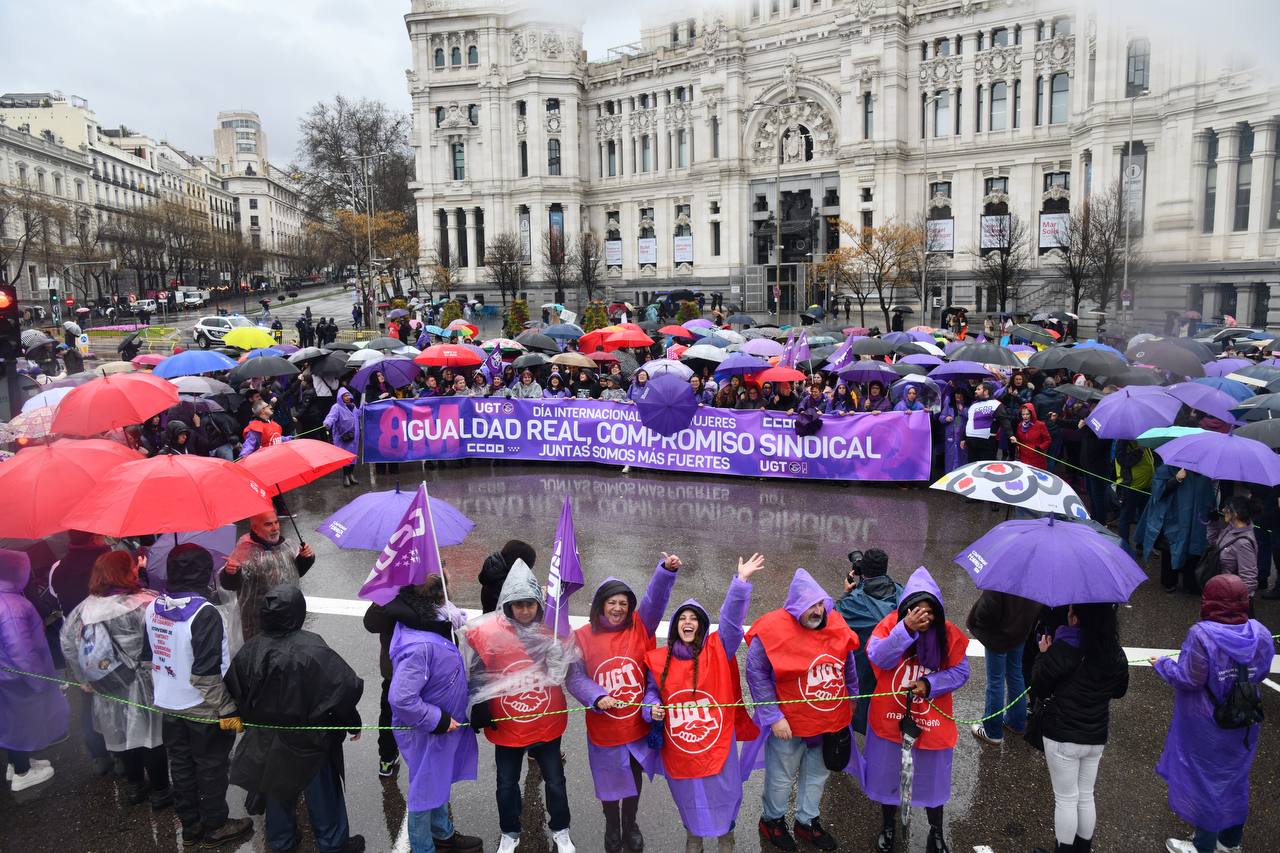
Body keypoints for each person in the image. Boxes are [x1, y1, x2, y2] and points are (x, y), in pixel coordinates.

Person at [462, 562, 595, 853]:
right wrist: (479, 703)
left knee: (555, 781)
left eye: (530, 605)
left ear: (539, 605)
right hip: (507, 722)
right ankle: (510, 831)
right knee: (506, 784)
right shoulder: (489, 633)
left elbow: (560, 675)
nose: (524, 611)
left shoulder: (552, 631)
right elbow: (478, 671)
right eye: (518, 605)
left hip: (545, 720)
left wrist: (560, 654)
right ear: (508, 605)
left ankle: (561, 829)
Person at [226, 584, 366, 853]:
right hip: (311, 740)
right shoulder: (313, 648)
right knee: (323, 794)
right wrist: (352, 721)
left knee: (277, 790)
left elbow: (235, 688)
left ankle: (281, 842)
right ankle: (333, 845)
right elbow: (341, 689)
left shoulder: (251, 648)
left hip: (268, 739)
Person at [642, 554, 766, 853]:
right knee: (688, 795)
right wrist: (650, 709)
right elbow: (650, 693)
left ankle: (727, 835)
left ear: (701, 625)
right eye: (682, 618)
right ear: (675, 626)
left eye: (693, 618)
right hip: (681, 746)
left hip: (718, 742)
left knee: (725, 790)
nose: (688, 622)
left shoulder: (718, 649)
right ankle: (693, 836)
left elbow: (732, 622)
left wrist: (741, 582)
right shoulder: (659, 660)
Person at [568, 554, 681, 853]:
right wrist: (596, 695)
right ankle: (611, 824)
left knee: (633, 779)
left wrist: (665, 572)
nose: (618, 608)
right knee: (608, 784)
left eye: (623, 603)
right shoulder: (582, 637)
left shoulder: (639, 629)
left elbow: (654, 600)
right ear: (600, 605)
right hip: (605, 728)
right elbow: (575, 677)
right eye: (611, 602)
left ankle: (630, 823)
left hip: (635, 727)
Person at [144, 544, 252, 849]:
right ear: (204, 573)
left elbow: (145, 657)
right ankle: (216, 824)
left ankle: (190, 826)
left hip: (168, 705)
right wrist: (229, 710)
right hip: (204, 709)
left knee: (180, 764)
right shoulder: (204, 612)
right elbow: (206, 675)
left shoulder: (152, 607)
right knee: (212, 766)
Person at [1155, 575, 1273, 853]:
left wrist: (1162, 665)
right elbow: (1263, 671)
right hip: (1245, 718)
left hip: (1206, 723)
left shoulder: (1202, 635)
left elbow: (1189, 678)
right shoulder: (1261, 633)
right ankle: (1230, 842)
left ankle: (1202, 846)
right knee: (1235, 778)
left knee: (1205, 783)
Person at [747, 568, 859, 852]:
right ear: (797, 604)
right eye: (811, 604)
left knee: (817, 776)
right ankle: (772, 821)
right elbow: (756, 673)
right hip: (789, 724)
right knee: (781, 777)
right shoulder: (771, 630)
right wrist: (773, 716)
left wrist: (851, 703)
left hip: (829, 720)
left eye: (821, 603)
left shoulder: (836, 625)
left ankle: (807, 821)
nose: (818, 610)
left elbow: (848, 667)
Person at [864, 567, 969, 853]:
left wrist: (929, 682)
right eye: (916, 611)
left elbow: (961, 672)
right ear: (905, 610)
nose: (924, 618)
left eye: (929, 612)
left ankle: (936, 831)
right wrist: (905, 630)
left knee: (932, 779)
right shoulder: (889, 625)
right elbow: (879, 657)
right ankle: (888, 825)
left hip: (931, 720)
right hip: (891, 718)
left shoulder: (948, 634)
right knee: (889, 776)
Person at [60, 551, 170, 809]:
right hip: (143, 682)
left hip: (106, 683)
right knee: (151, 737)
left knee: (121, 733)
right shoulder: (144, 603)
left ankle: (134, 787)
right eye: (132, 567)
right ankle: (161, 791)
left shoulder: (83, 608)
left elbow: (67, 643)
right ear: (125, 571)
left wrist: (82, 677)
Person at [388, 574, 483, 853]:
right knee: (424, 790)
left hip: (441, 727)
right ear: (439, 595)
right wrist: (437, 720)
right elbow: (402, 699)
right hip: (429, 729)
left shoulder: (435, 623)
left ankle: (442, 833)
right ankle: (422, 847)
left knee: (436, 779)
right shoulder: (423, 644)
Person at [1029, 603, 1130, 853]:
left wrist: (1043, 653)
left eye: (1072, 611)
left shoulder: (1064, 647)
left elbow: (1039, 686)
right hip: (1095, 735)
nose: (1068, 614)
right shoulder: (1113, 650)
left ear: (1076, 619)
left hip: (1062, 735)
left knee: (1065, 799)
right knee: (1086, 795)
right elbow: (1119, 690)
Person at [0, 549, 68, 792]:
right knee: (20, 722)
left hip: (6, 676)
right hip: (15, 677)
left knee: (9, 722)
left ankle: (17, 763)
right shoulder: (11, 605)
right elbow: (21, 649)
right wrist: (38, 681)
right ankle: (22, 773)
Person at [219, 510, 316, 641]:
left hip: (288, 616)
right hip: (258, 622)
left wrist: (305, 558)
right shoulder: (245, 551)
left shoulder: (287, 546)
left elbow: (295, 573)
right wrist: (230, 572)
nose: (275, 528)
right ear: (255, 528)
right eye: (268, 524)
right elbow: (231, 585)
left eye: (276, 522)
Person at [835, 549, 902, 735]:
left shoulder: (854, 602)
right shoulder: (902, 592)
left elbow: (831, 619)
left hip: (865, 667)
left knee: (863, 706)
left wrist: (847, 593)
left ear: (862, 571)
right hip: (894, 668)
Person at [965, 590, 1039, 745]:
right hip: (1020, 632)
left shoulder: (1001, 576)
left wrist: (977, 621)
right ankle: (1016, 722)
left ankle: (992, 731)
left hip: (998, 635)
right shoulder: (1034, 574)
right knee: (1015, 674)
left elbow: (987, 609)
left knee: (995, 681)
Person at [1138, 465, 1215, 594]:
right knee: (1170, 549)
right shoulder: (1168, 469)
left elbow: (1208, 497)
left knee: (1193, 550)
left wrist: (1212, 510)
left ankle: (1190, 583)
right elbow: (1158, 492)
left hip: (1194, 520)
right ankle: (1169, 582)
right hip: (1173, 519)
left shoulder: (1203, 473)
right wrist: (1176, 480)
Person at [1207, 495, 1259, 593]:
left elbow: (1249, 579)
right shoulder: (1231, 528)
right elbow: (1214, 544)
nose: (1223, 510)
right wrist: (1213, 523)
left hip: (1230, 596)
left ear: (1235, 513)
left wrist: (1235, 601)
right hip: (1220, 588)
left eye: (1226, 508)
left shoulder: (1243, 543)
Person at [478, 540, 537, 614]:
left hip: (489, 620)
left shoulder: (494, 572)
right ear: (519, 563)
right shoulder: (506, 585)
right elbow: (520, 612)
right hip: (500, 623)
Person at [324, 387, 361, 487]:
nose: (347, 397)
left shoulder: (353, 406)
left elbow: (358, 414)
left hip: (354, 437)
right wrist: (327, 423)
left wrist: (363, 406)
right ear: (340, 397)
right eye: (345, 396)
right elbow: (331, 417)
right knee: (345, 457)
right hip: (343, 437)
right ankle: (345, 477)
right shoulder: (336, 407)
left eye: (348, 395)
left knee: (353, 456)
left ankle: (351, 475)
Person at [1013, 403, 1052, 467]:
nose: (1025, 416)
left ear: (1032, 414)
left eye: (1027, 414)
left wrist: (1041, 447)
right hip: (1023, 457)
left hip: (1036, 457)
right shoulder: (1020, 425)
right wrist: (1016, 441)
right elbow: (1019, 440)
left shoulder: (1040, 425)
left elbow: (1048, 440)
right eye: (1023, 414)